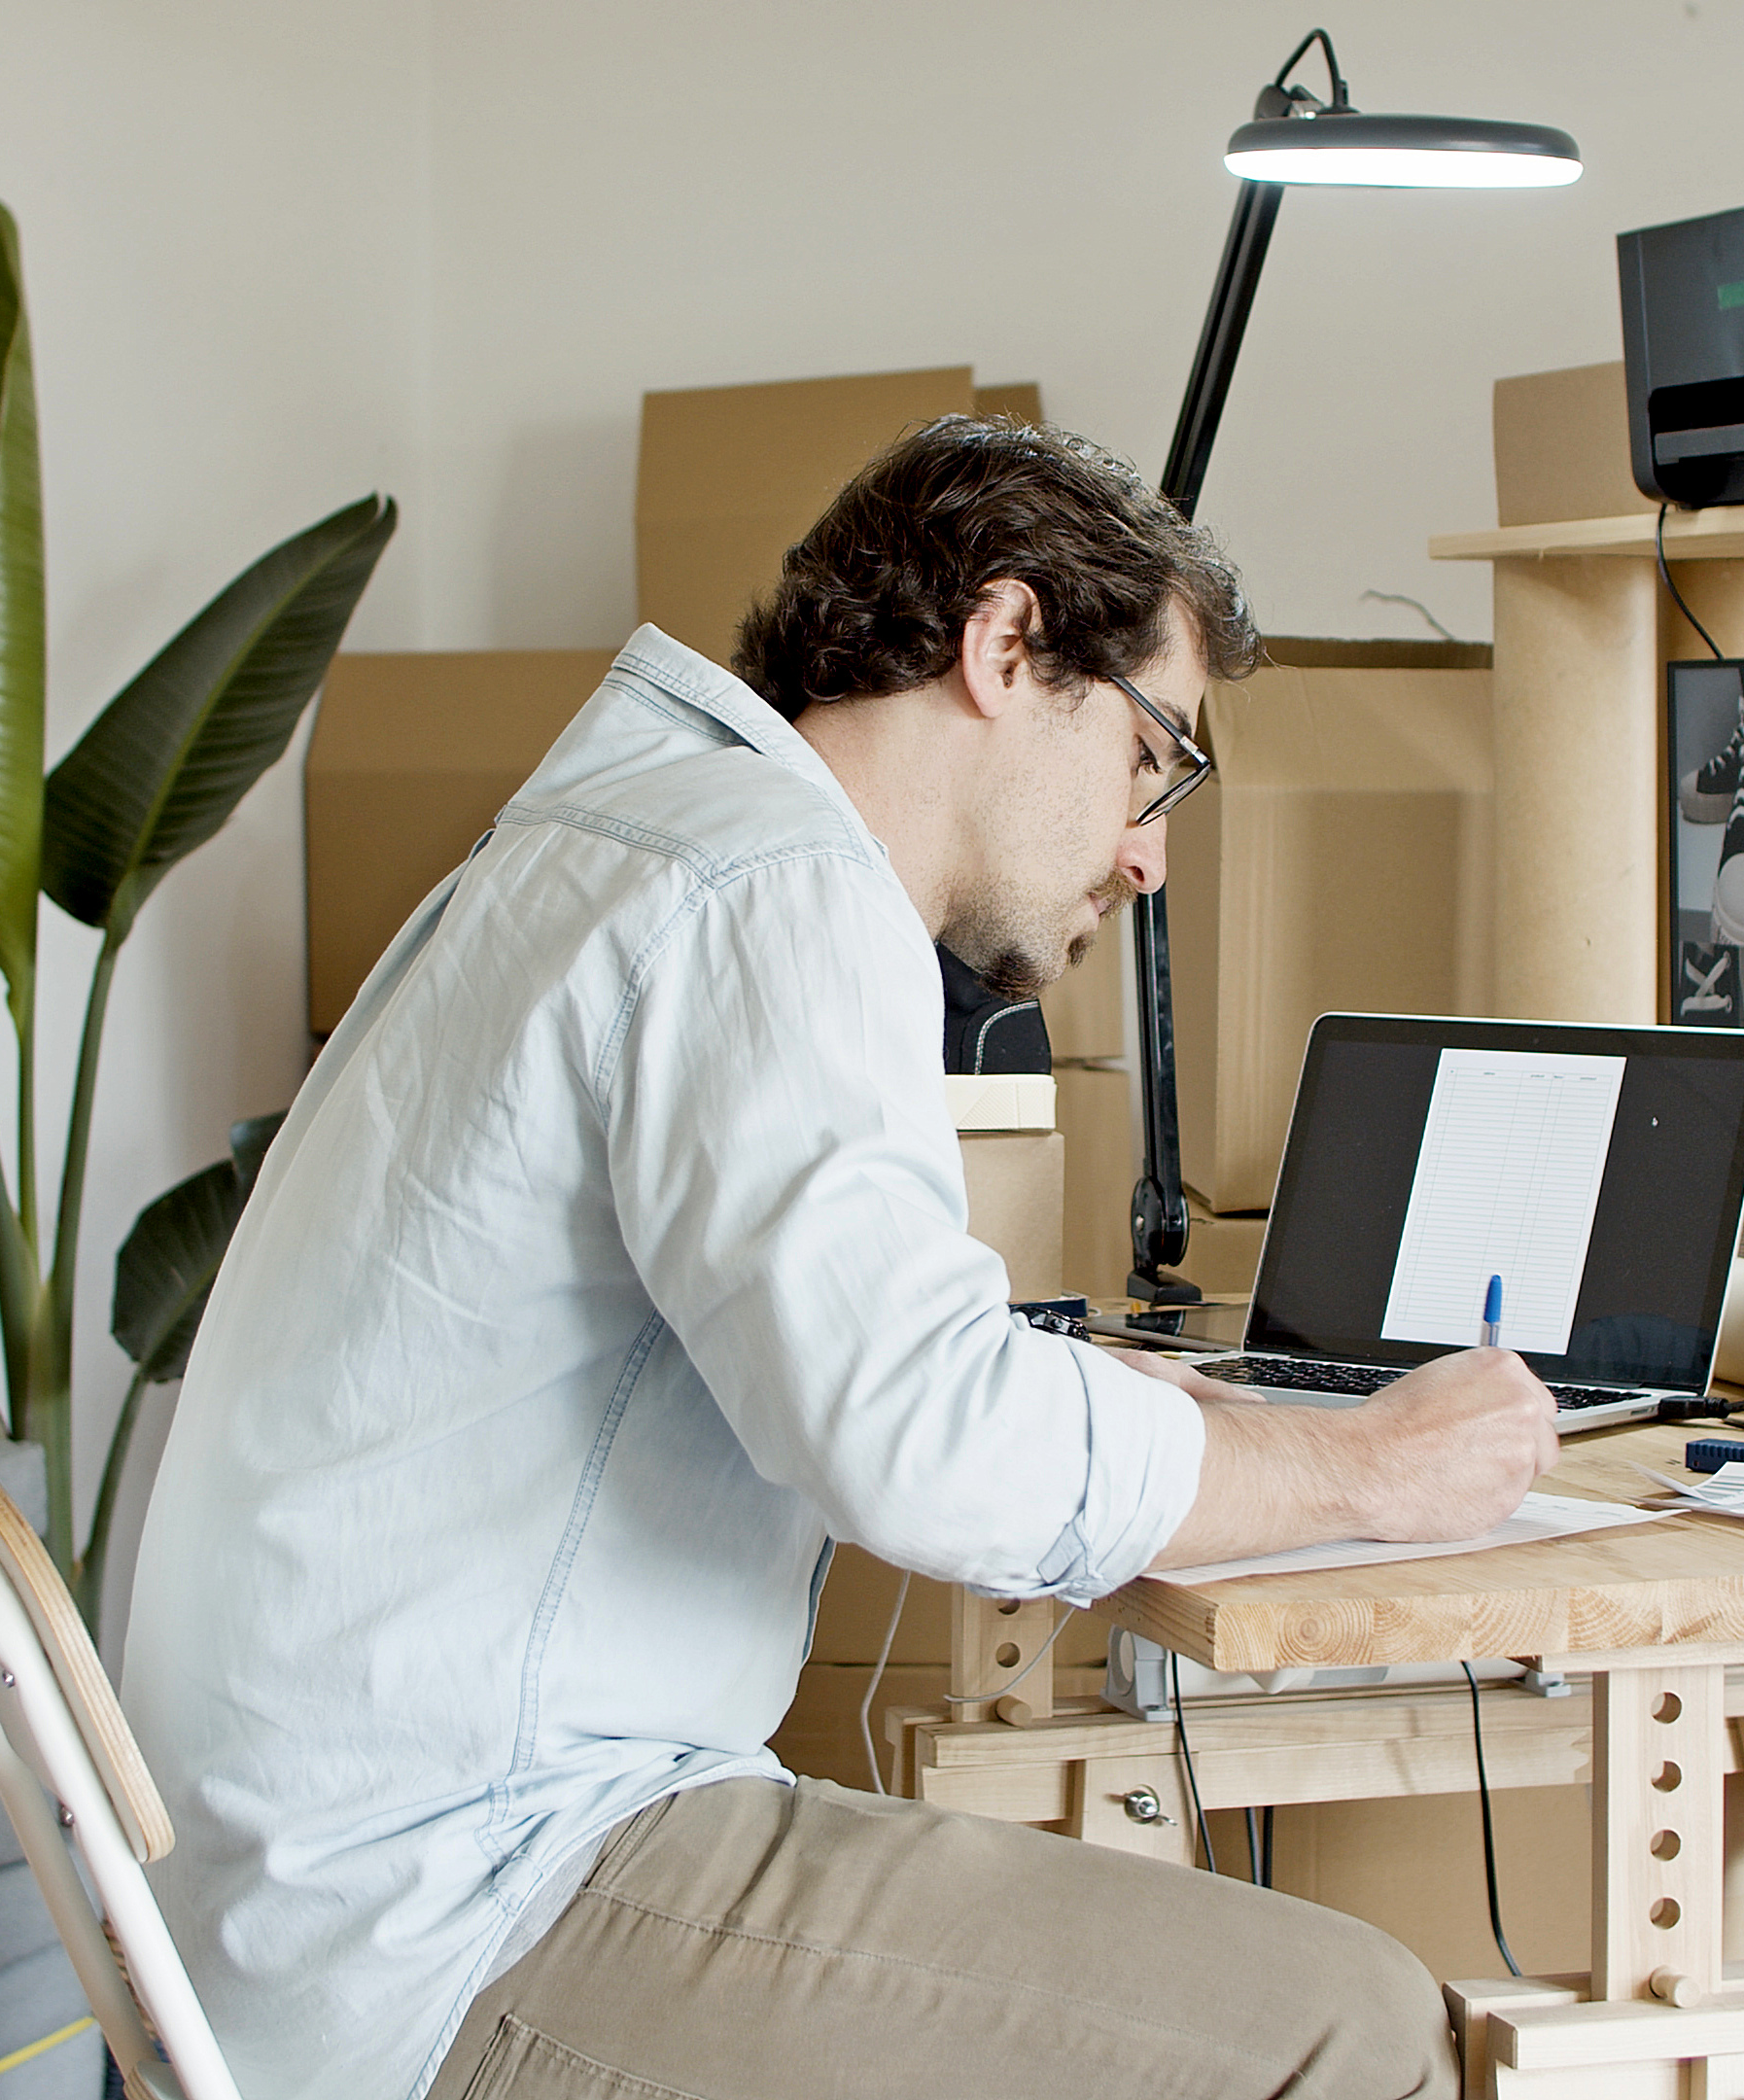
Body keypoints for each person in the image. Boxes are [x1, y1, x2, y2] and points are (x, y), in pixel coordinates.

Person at [122, 417, 1559, 2100]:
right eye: (1154, 758)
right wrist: (1363, 1465)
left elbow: (869, 1351)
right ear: (1008, 648)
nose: (1150, 850)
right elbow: (919, 1441)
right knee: (1353, 2022)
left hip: (330, 1896)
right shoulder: (769, 886)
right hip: (464, 1916)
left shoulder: (638, 840)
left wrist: (1116, 1409)